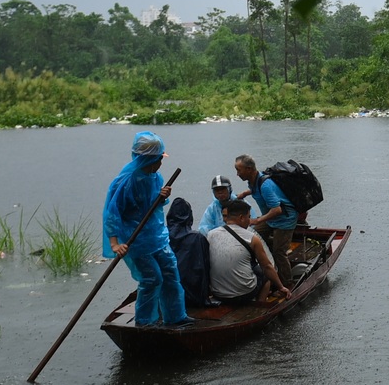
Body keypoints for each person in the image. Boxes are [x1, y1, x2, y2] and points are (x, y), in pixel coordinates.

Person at [100, 130, 193, 328]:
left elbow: (152, 205)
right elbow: (112, 213)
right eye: (159, 159)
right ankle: (144, 322)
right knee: (152, 278)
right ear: (148, 159)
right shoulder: (126, 181)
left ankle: (176, 317)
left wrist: (163, 196)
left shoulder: (155, 177)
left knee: (170, 271)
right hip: (136, 240)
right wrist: (115, 243)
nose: (161, 163)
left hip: (156, 236)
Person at [206, 199, 289, 305]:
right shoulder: (252, 238)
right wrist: (281, 287)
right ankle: (259, 305)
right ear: (241, 218)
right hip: (244, 294)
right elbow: (267, 266)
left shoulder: (210, 234)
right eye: (248, 217)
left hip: (218, 293)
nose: (249, 221)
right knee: (265, 275)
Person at [233, 153, 299, 284]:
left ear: (249, 169)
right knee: (253, 237)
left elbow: (277, 209)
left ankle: (287, 283)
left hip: (284, 219)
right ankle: (268, 260)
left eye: (239, 170)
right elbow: (255, 189)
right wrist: (245, 193)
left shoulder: (265, 185)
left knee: (279, 253)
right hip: (271, 219)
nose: (237, 174)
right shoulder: (254, 181)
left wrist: (258, 220)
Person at [166, 196, 211, 308]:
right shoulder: (198, 238)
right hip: (193, 296)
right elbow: (206, 267)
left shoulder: (161, 236)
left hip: (168, 294)